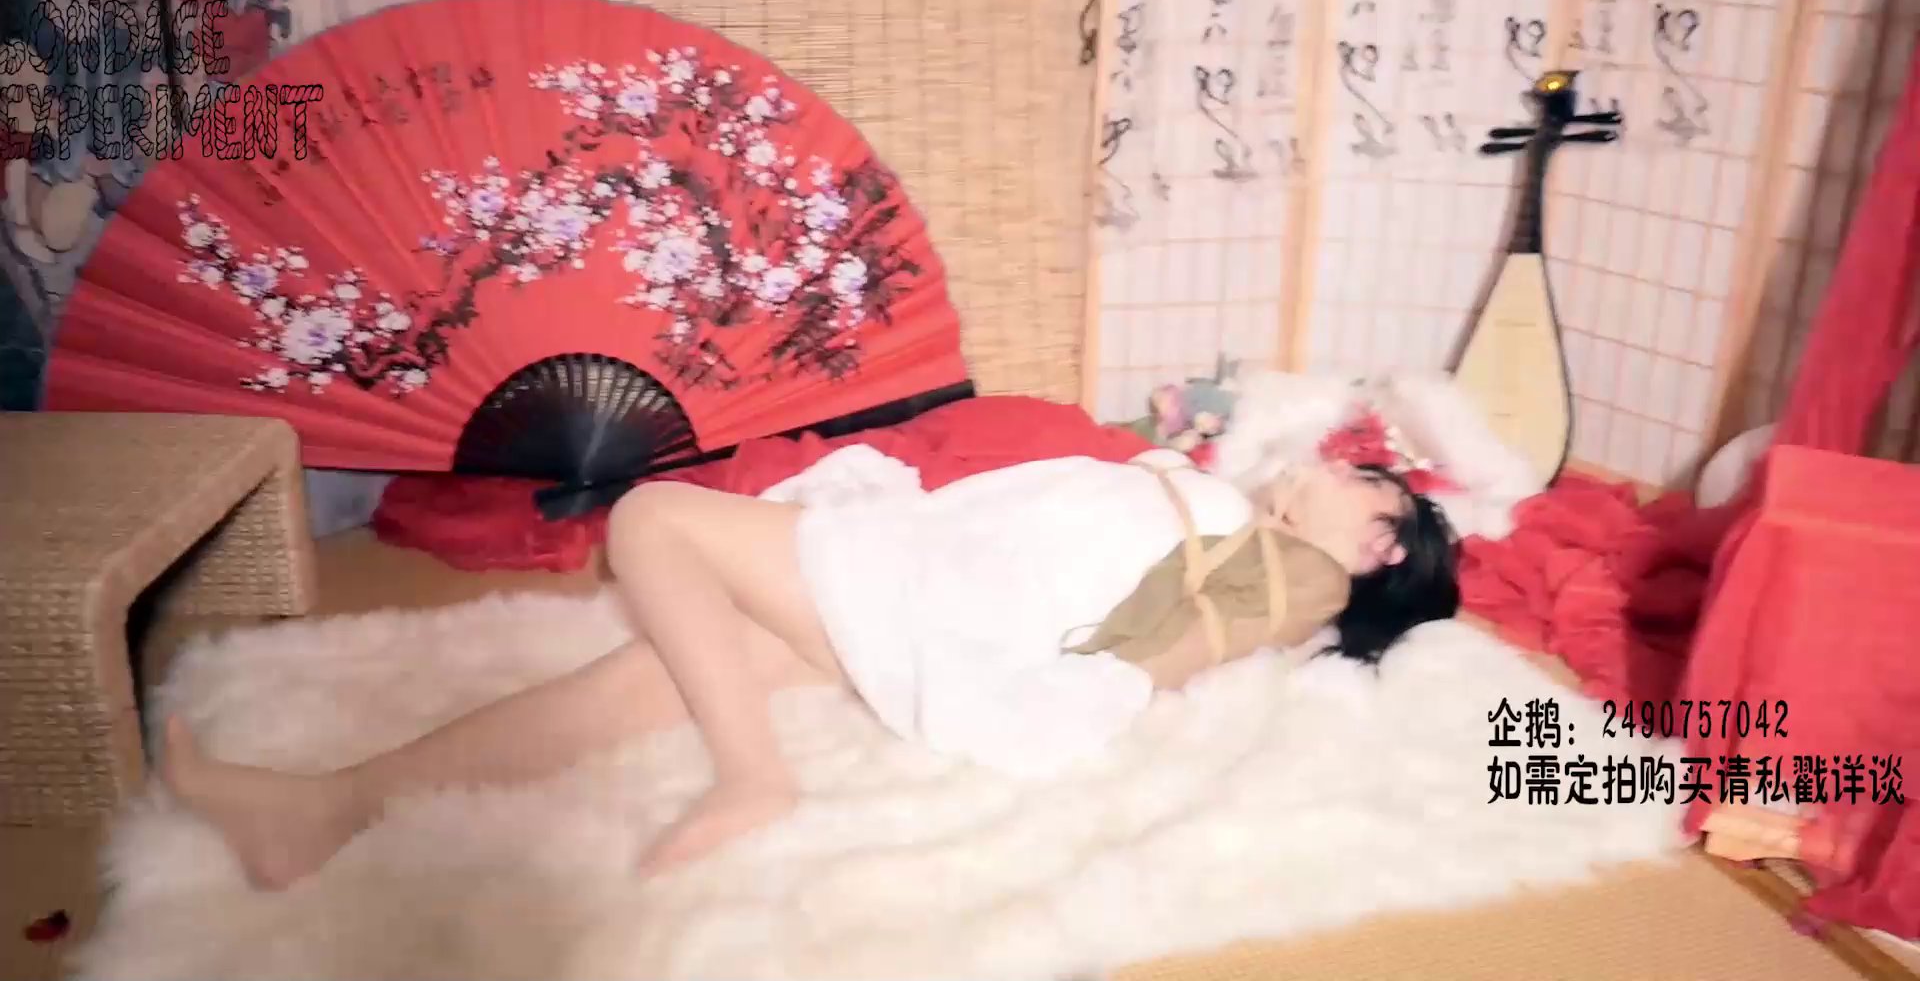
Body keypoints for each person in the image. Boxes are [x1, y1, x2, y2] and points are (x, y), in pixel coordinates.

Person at [160, 449, 1459, 891]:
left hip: (953, 611)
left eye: (1362, 481)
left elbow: (1175, 648)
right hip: (934, 587)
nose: (1326, 467)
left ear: (1381, 540)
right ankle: (325, 809)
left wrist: (1061, 681)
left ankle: (752, 776)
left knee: (654, 521)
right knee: (652, 676)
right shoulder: (1230, 507)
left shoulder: (1304, 574)